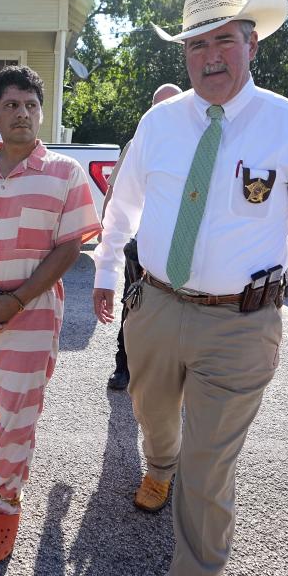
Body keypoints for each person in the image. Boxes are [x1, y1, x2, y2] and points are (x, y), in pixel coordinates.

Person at [91, 0, 288, 576]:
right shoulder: (159, 124)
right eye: (196, 45)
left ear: (252, 42)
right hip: (153, 307)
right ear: (184, 54)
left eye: (225, 41)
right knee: (152, 416)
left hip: (241, 324)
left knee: (208, 469)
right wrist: (106, 271)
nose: (210, 56)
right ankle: (160, 463)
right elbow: (121, 207)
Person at [0, 65, 101, 562]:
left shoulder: (63, 175)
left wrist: (17, 300)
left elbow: (70, 247)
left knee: (16, 412)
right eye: (11, 105)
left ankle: (5, 501)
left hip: (30, 311)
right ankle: (14, 424)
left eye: (31, 105)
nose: (23, 114)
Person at [103, 83, 182, 391]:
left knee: (181, 310)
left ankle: (172, 371)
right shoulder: (137, 144)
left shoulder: (200, 143)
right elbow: (115, 191)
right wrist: (110, 235)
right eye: (158, 106)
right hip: (141, 244)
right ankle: (124, 367)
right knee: (133, 305)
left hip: (182, 247)